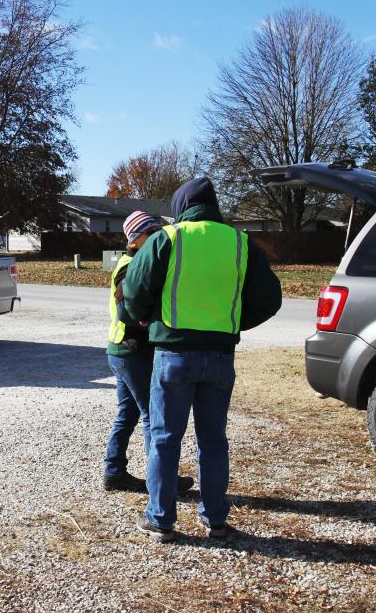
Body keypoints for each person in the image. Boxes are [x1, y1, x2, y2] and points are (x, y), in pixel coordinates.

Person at [122, 177, 282, 542]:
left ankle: (161, 520)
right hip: (220, 356)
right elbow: (269, 299)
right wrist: (231, 322)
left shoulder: (168, 238)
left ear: (181, 208)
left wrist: (147, 318)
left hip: (173, 354)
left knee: (164, 438)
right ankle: (215, 520)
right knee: (213, 441)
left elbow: (134, 290)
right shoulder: (241, 243)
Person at [104, 211, 195, 494]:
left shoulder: (135, 260)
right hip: (130, 350)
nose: (159, 235)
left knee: (128, 413)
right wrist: (149, 317)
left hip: (122, 350)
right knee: (152, 416)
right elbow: (125, 310)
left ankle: (114, 471)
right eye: (153, 231)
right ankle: (163, 481)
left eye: (159, 229)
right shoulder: (132, 265)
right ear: (137, 237)